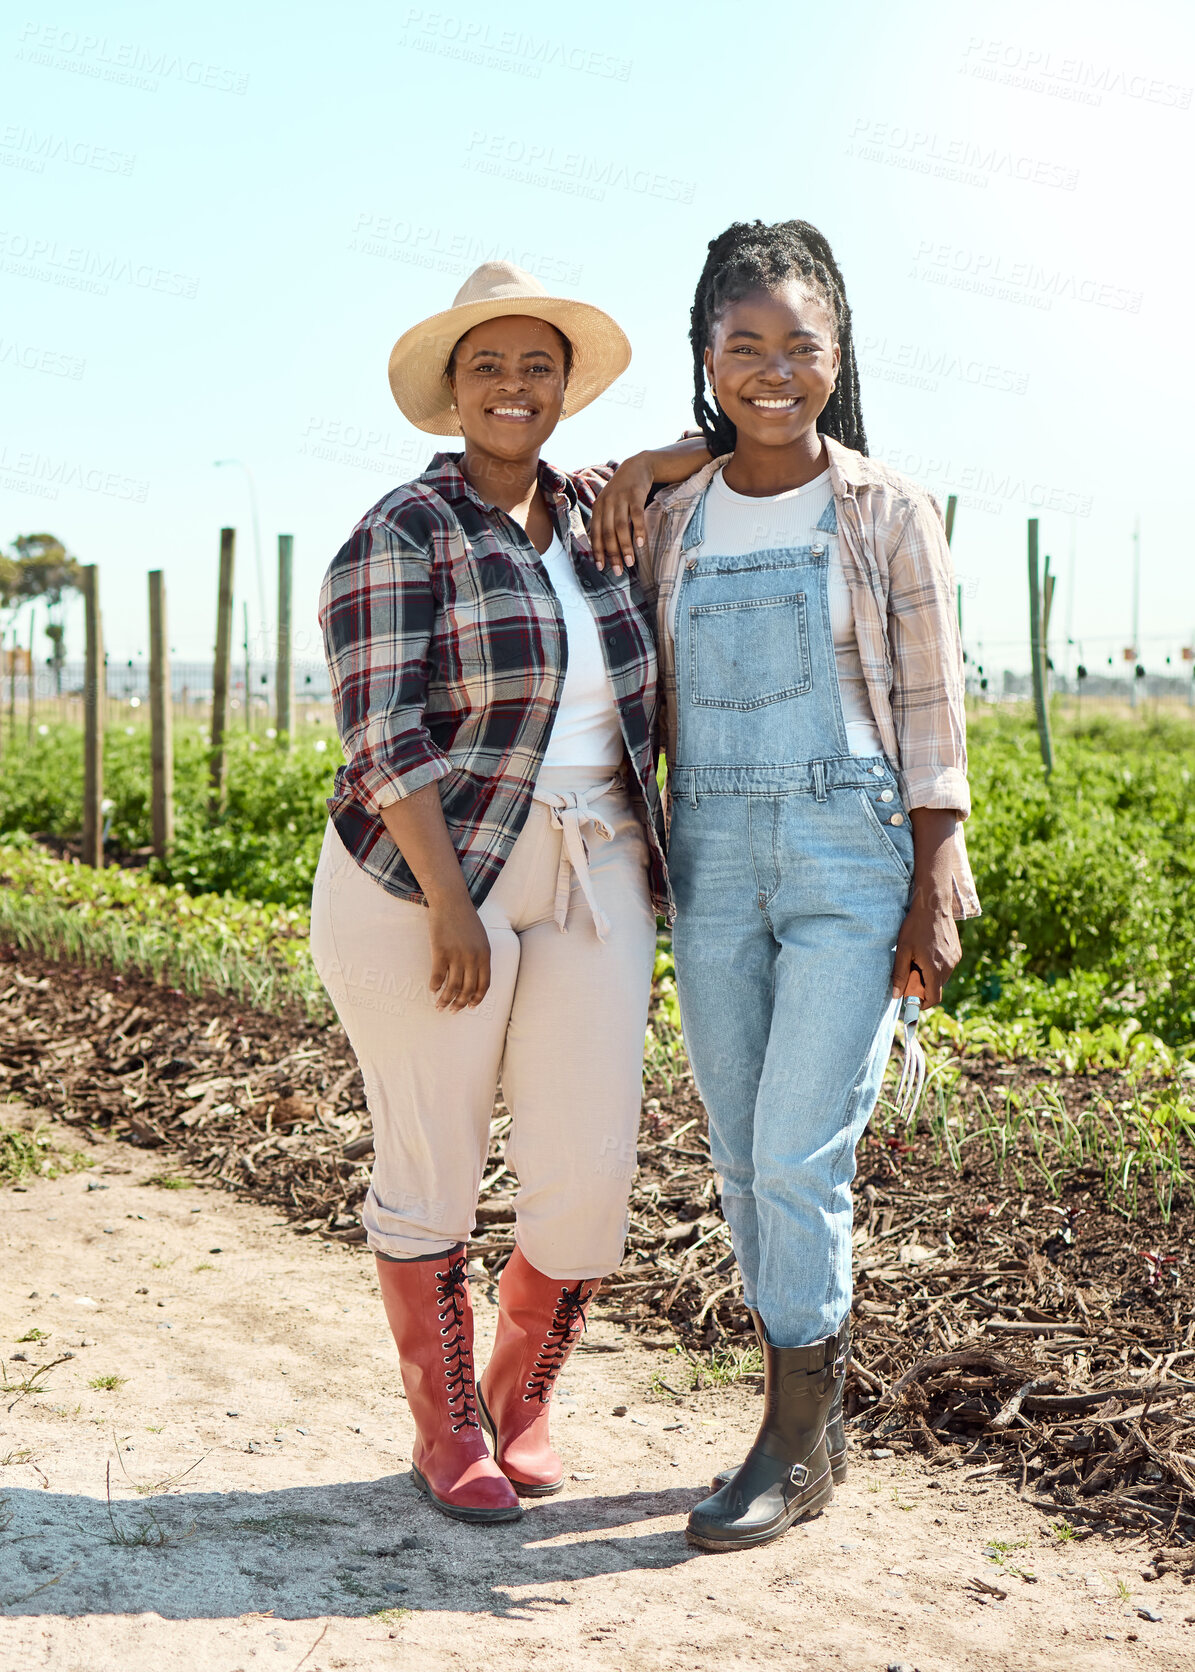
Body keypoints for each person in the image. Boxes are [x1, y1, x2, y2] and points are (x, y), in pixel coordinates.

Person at [598, 220, 980, 1552]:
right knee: (734, 1151)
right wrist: (654, 457)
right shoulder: (667, 512)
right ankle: (801, 1423)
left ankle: (793, 1443)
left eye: (797, 346)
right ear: (705, 357)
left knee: (795, 1151)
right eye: (741, 345)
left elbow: (928, 705)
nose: (771, 371)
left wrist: (937, 871)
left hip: (845, 846)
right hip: (707, 852)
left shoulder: (881, 508)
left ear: (837, 355)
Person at [312, 262, 707, 1523]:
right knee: (432, 1153)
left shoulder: (598, 511)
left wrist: (655, 458)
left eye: (538, 365)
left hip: (592, 866)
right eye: (487, 366)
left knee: (589, 1167)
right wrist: (447, 904)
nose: (514, 387)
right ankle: (447, 1432)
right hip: (426, 870)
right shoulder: (402, 533)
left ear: (564, 389)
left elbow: (750, 429)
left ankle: (521, 1394)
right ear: (449, 393)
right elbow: (384, 737)